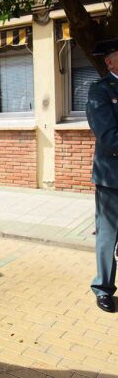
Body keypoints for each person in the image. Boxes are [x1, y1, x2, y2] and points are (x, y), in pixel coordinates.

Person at [86, 38, 118, 313]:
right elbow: (108, 135)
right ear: (110, 62)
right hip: (113, 177)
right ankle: (103, 288)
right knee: (108, 235)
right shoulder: (100, 90)